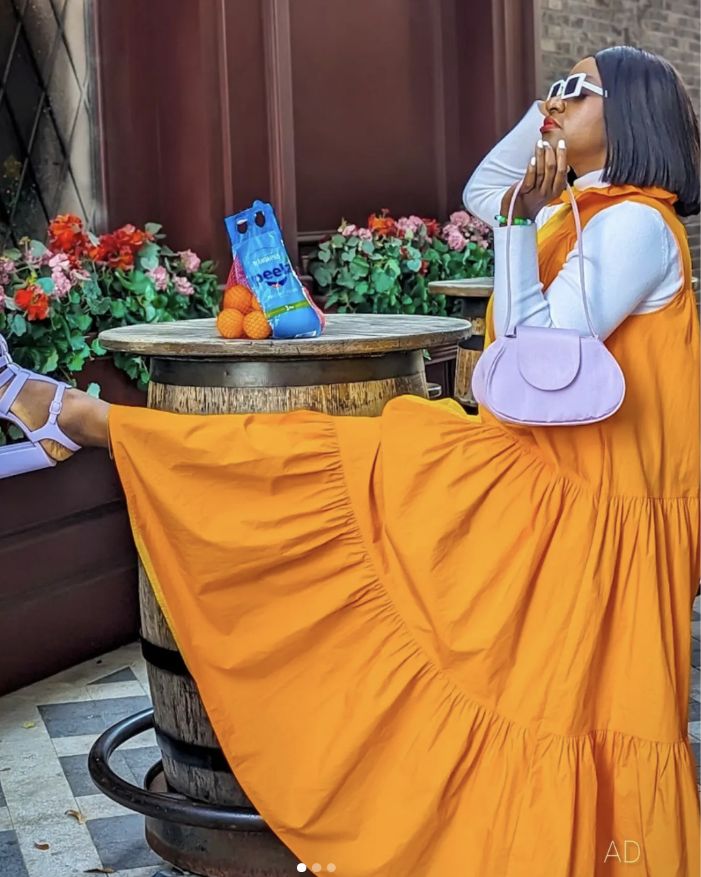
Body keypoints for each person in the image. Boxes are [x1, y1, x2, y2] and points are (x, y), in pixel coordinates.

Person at [0, 45, 699, 877]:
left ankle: (93, 422)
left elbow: (532, 355)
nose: (550, 99)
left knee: (321, 466)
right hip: (561, 487)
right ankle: (93, 423)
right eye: (551, 84)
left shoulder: (629, 223)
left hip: (582, 500)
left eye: (575, 87)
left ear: (633, 113)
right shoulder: (581, 209)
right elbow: (484, 191)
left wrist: (519, 217)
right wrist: (547, 134)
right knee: (325, 469)